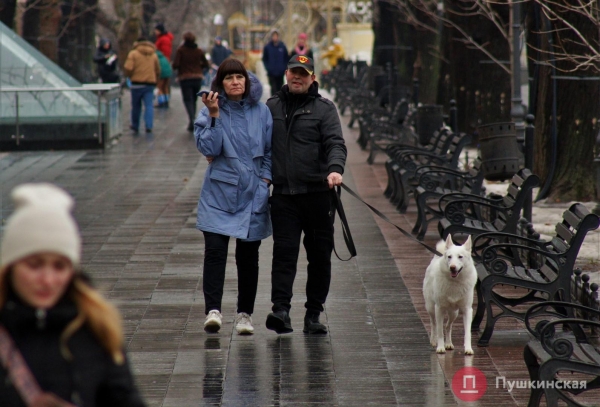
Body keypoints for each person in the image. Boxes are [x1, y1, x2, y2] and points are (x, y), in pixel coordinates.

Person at [0, 183, 146, 406]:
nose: (48, 280)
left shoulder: (97, 329)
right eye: (34, 265)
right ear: (11, 266)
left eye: (59, 266)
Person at [265, 55, 347, 335]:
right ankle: (281, 310)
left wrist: (335, 169)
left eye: (303, 73)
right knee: (283, 254)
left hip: (318, 195)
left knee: (319, 257)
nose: (297, 77)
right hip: (284, 196)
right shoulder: (271, 106)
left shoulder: (324, 109)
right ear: (286, 74)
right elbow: (257, 143)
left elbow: (336, 143)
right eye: (293, 72)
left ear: (313, 78)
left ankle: (313, 314)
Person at [194, 59, 273, 335]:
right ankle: (213, 311)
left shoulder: (261, 111)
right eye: (229, 78)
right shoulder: (208, 110)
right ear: (221, 84)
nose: (235, 82)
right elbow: (209, 148)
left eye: (239, 77)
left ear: (247, 81)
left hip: (253, 193)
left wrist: (265, 181)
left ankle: (244, 314)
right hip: (219, 192)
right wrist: (214, 114)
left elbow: (270, 150)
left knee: (248, 257)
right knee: (215, 252)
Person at [172, 31, 209, 132]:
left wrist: (181, 67)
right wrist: (199, 68)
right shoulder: (198, 51)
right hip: (197, 78)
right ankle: (192, 120)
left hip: (185, 78)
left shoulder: (180, 50)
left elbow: (175, 64)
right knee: (194, 99)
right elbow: (206, 64)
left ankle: (192, 119)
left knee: (187, 99)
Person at [123, 37, 160, 134]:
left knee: (136, 106)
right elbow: (158, 70)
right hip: (149, 84)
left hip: (136, 83)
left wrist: (130, 76)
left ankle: (135, 125)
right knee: (149, 105)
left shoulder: (133, 54)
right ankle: (149, 126)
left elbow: (128, 68)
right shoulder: (153, 54)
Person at [262, 30, 288, 96]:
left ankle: (279, 100)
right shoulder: (267, 47)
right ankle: (273, 100)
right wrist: (268, 68)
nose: (275, 37)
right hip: (271, 73)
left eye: (276, 36)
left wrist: (284, 67)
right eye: (274, 36)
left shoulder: (282, 46)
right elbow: (265, 58)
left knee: (280, 88)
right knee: (273, 88)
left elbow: (286, 58)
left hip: (280, 72)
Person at [154, 23, 174, 108]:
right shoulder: (165, 38)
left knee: (160, 86)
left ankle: (162, 102)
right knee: (165, 86)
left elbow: (165, 52)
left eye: (156, 30)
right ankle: (165, 101)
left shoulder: (163, 39)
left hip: (162, 64)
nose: (155, 32)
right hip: (166, 64)